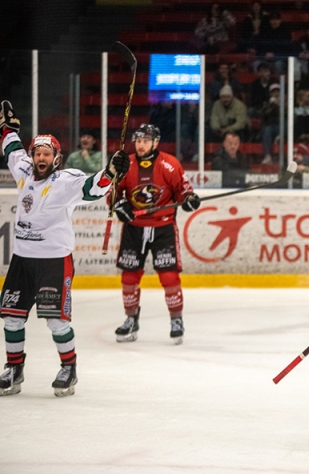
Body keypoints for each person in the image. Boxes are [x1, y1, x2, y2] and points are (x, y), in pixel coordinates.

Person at [0, 100, 129, 397]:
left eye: (47, 153)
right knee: (12, 317)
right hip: (22, 259)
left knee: (56, 321)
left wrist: (110, 171)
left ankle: (69, 369)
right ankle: (14, 368)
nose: (41, 157)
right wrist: (8, 129)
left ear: (57, 158)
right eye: (37, 153)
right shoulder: (23, 170)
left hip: (54, 261)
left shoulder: (65, 181)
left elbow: (92, 188)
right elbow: (11, 149)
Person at [111, 124, 199, 346]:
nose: (140, 144)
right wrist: (119, 204)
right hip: (134, 228)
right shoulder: (126, 164)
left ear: (155, 142)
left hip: (163, 227)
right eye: (138, 140)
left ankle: (176, 320)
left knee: (169, 277)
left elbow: (184, 190)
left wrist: (189, 199)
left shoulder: (169, 164)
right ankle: (131, 319)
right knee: (129, 277)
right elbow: (113, 193)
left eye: (145, 140)